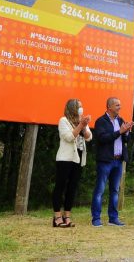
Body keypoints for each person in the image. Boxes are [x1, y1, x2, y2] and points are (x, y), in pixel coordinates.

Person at [91, 97, 134, 227]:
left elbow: (126, 140)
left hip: (118, 160)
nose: (119, 107)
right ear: (109, 107)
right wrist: (119, 132)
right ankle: (96, 219)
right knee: (100, 190)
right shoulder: (101, 121)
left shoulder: (120, 120)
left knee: (115, 190)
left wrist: (126, 132)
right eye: (117, 105)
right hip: (105, 161)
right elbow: (102, 139)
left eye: (120, 105)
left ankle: (113, 218)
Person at [52, 98, 92, 228]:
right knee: (60, 186)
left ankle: (67, 215)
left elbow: (89, 137)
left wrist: (84, 126)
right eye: (79, 106)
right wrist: (80, 125)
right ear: (72, 108)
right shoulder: (63, 120)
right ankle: (57, 217)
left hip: (78, 158)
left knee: (72, 187)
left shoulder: (82, 121)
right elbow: (69, 137)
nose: (81, 108)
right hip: (65, 158)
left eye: (82, 106)